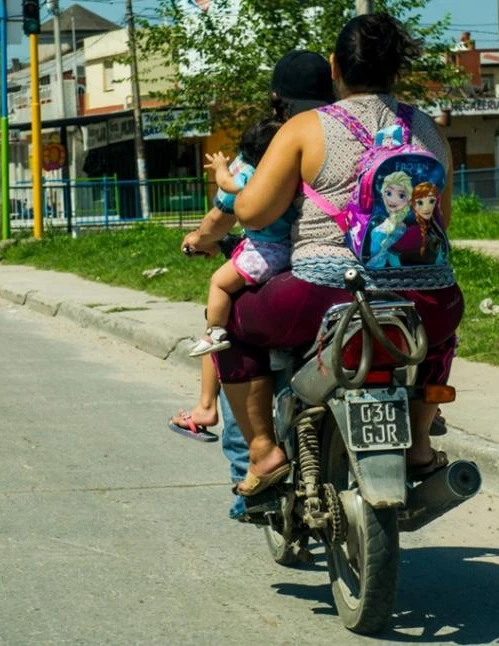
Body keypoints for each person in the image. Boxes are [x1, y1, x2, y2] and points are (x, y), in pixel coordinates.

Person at [214, 13, 465, 497]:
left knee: (232, 327)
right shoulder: (427, 130)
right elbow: (440, 221)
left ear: (335, 66)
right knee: (439, 339)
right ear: (397, 69)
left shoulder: (307, 128)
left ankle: (264, 452)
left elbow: (252, 211)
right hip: (427, 299)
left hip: (322, 295)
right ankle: (417, 445)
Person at [169, 50, 336, 518]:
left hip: (294, 278)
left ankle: (255, 463)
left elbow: (232, 214)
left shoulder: (285, 139)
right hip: (363, 278)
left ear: (277, 99)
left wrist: (198, 241)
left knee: (228, 336)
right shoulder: (353, 132)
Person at [188, 120, 296, 357]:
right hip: (291, 247)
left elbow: (227, 184)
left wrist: (219, 166)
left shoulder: (253, 176)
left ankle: (214, 332)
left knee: (219, 283)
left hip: (264, 251)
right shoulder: (289, 174)